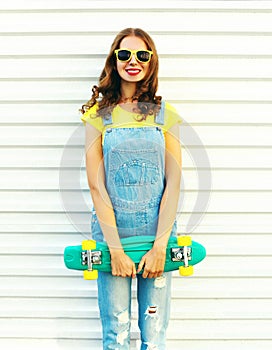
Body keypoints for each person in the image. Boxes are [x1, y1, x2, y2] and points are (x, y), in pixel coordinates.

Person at [80, 28, 182, 350]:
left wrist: (160, 246)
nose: (133, 62)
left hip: (157, 238)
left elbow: (174, 184)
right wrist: (115, 250)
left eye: (142, 55)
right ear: (115, 60)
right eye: (125, 55)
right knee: (116, 334)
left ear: (151, 63)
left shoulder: (166, 116)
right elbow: (97, 186)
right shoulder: (98, 117)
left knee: (154, 336)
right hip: (113, 239)